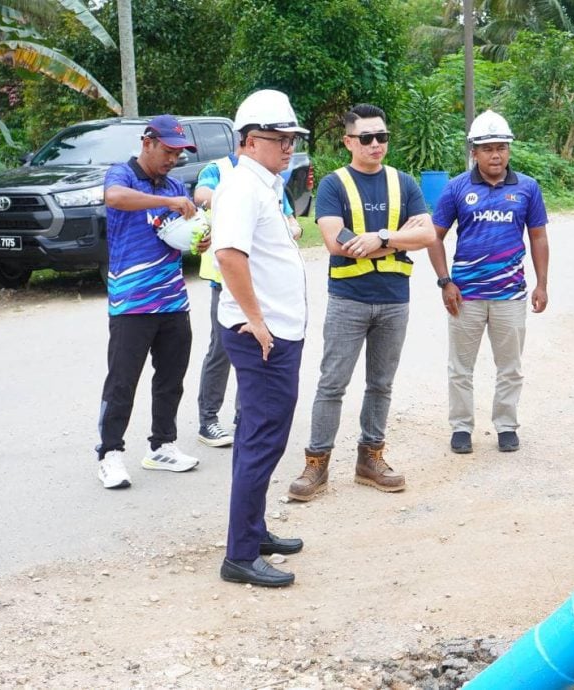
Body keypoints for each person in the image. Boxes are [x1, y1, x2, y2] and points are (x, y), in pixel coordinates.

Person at [287, 103, 435, 501]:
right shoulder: (334, 184)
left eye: (382, 137)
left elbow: (428, 237)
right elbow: (337, 242)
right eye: (366, 138)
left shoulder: (404, 183)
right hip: (348, 300)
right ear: (348, 141)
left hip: (393, 300)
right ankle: (316, 464)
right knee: (332, 383)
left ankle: (370, 458)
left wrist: (380, 238)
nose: (376, 145)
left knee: (381, 385)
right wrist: (398, 236)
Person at [212, 90, 308, 587]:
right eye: (280, 138)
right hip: (262, 337)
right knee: (261, 440)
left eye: (292, 138)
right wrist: (258, 319)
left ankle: (253, 530)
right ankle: (241, 555)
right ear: (250, 141)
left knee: (259, 436)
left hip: (274, 332)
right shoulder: (241, 188)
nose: (288, 147)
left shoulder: (263, 184)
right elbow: (229, 255)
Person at [427, 110, 549, 454]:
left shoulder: (527, 188)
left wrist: (542, 284)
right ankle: (462, 428)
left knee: (510, 367)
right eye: (488, 148)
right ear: (474, 152)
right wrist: (444, 282)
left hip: (511, 295)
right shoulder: (456, 188)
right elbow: (434, 237)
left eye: (502, 148)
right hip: (465, 296)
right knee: (460, 368)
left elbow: (538, 237)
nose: (496, 155)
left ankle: (506, 426)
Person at [96, 115, 206, 490]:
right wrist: (167, 201)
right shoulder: (122, 175)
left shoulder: (175, 184)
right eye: (168, 150)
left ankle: (163, 446)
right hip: (131, 302)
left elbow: (183, 232)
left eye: (178, 153)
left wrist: (199, 239)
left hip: (173, 299)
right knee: (122, 382)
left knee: (171, 379)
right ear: (147, 143)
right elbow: (114, 199)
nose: (173, 159)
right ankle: (109, 454)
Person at [193, 138, 302, 449]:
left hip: (264, 287)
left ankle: (245, 417)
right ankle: (209, 418)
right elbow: (201, 194)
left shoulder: (271, 180)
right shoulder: (223, 170)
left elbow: (291, 220)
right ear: (249, 141)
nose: (285, 147)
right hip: (227, 282)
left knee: (258, 353)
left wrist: (287, 229)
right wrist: (238, 205)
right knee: (222, 351)